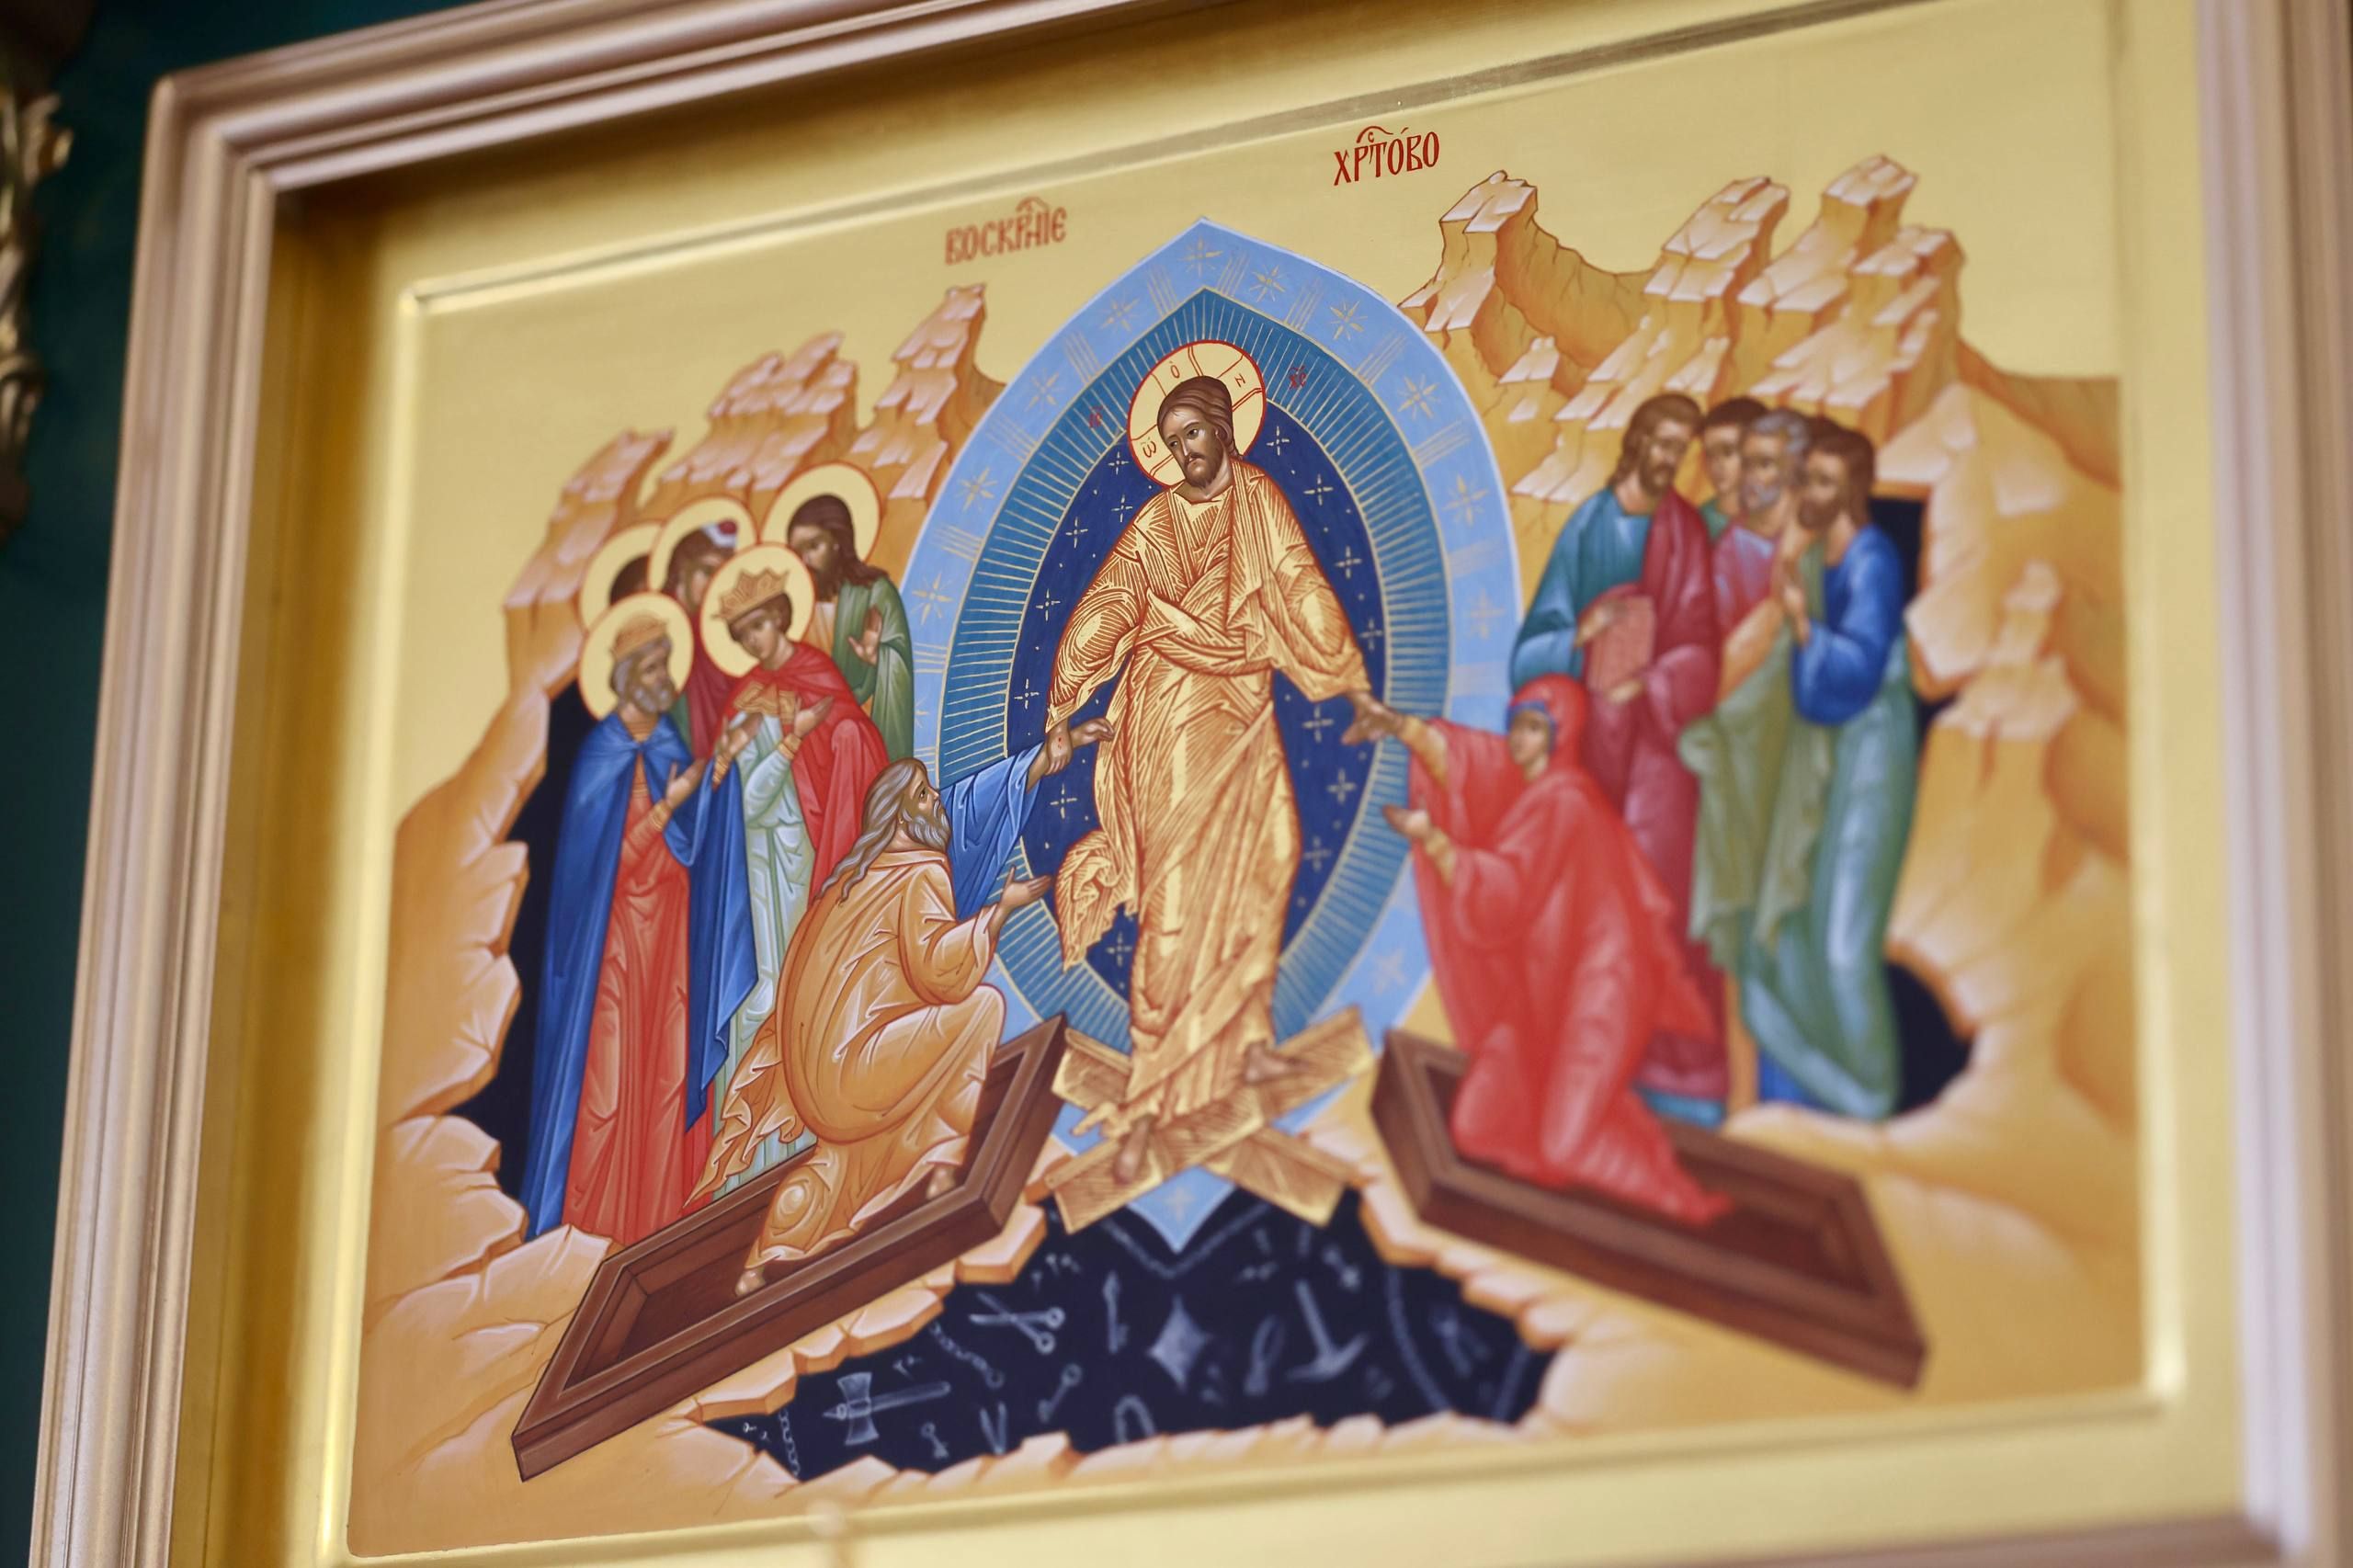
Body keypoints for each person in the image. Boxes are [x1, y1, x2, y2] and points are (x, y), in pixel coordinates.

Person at [1046, 371, 1370, 1184]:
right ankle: (1152, 1092)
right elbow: (1109, 604)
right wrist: (1067, 691)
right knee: (1180, 898)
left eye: (1193, 432)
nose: (1184, 450)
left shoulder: (1258, 498)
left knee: (1271, 856)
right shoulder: (1157, 521)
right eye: (1171, 439)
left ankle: (1246, 1040)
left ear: (1224, 429)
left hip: (1246, 704)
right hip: (1174, 712)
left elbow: (1299, 581)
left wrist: (1345, 668)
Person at [1342, 678, 1728, 1222]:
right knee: (1477, 1126)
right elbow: (1465, 761)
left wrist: (1435, 841)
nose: (1518, 738)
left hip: (1602, 992)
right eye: (1516, 724)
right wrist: (1397, 725)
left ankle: (1686, 1209)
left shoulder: (1565, 799)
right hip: (1542, 996)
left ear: (1559, 734)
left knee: (1563, 1147)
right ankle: (1579, 1137)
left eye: (1533, 727)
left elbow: (1507, 891)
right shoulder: (1530, 787)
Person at [695, 760, 1056, 1295]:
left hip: (818, 1092)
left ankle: (764, 1255)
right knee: (982, 1008)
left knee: (841, 1161)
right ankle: (942, 1163)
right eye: (924, 794)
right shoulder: (921, 872)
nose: (937, 799)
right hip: (859, 1073)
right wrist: (999, 911)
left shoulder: (846, 884)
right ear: (902, 816)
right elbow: (939, 971)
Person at [1678, 418, 1918, 1119]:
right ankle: (1803, 1101)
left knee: (1842, 940)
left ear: (1851, 490)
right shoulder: (1813, 555)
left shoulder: (1871, 560)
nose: (1805, 491)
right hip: (1821, 753)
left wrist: (1804, 624)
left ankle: (1870, 1097)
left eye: (1820, 481)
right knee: (1793, 930)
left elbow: (1856, 670)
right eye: (1804, 478)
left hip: (1867, 757)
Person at [1507, 392, 1726, 1121]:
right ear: (1636, 442)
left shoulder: (1684, 532)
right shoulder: (1590, 526)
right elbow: (1532, 650)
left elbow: (1700, 648)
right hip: (1592, 750)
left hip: (1657, 756)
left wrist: (1651, 685)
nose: (1668, 458)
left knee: (1658, 893)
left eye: (1679, 448)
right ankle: (1579, 1055)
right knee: (1581, 899)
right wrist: (1584, 634)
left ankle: (1659, 1064)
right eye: (1660, 443)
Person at [520, 607, 727, 1246]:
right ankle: (592, 1233)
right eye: (655, 668)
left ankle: (656, 1229)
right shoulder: (599, 757)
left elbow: (693, 846)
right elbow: (605, 869)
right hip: (612, 953)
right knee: (607, 1088)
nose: (667, 680)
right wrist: (669, 805)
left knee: (665, 1080)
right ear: (628, 677)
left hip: (668, 940)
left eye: (668, 665)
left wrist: (713, 783)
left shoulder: (668, 745)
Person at [786, 490, 917, 762]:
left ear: (838, 542)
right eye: (797, 553)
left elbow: (898, 660)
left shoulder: (874, 593)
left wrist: (878, 659)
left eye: (813, 546)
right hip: (812, 734)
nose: (805, 561)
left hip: (862, 728)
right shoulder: (793, 610)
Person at [662, 519, 742, 753]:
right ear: (683, 569)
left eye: (722, 575)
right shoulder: (658, 624)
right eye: (707, 572)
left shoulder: (720, 626)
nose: (714, 585)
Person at [1696, 395, 1767, 545]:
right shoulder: (1695, 523)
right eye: (1709, 453)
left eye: (1727, 452)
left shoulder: (1780, 521)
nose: (1716, 463)